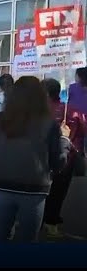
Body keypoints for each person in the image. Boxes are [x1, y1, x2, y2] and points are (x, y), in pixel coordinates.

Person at [0, 76, 68, 242]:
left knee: (2, 233)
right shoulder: (49, 125)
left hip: (1, 187)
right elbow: (58, 163)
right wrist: (65, 142)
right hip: (33, 190)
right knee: (28, 238)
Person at [41, 78, 86, 237]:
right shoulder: (73, 111)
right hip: (65, 160)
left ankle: (39, 219)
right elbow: (83, 131)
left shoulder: (36, 112)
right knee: (58, 192)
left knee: (40, 191)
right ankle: (51, 223)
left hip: (40, 160)